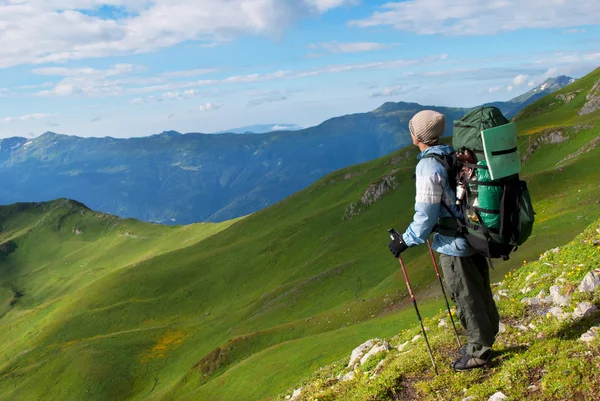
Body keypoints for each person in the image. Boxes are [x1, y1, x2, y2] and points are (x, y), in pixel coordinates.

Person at [388, 110, 500, 371]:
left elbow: (426, 213)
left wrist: (405, 240)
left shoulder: (428, 165)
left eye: (412, 129)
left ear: (417, 135)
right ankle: (485, 336)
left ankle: (478, 352)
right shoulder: (454, 153)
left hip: (454, 243)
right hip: (474, 234)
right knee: (479, 289)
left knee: (465, 296)